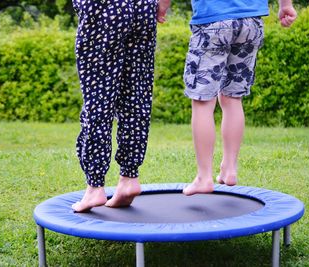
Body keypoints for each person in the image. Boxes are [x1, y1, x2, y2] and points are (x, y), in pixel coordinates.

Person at [182, 0, 297, 195]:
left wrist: (162, 6)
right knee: (232, 98)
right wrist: (286, 5)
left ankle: (204, 177)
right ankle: (229, 169)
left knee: (203, 101)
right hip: (251, 22)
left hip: (213, 21)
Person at [70, 0, 171, 212]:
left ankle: (94, 186)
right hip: (143, 6)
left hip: (104, 7)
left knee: (98, 97)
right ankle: (129, 177)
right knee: (136, 94)